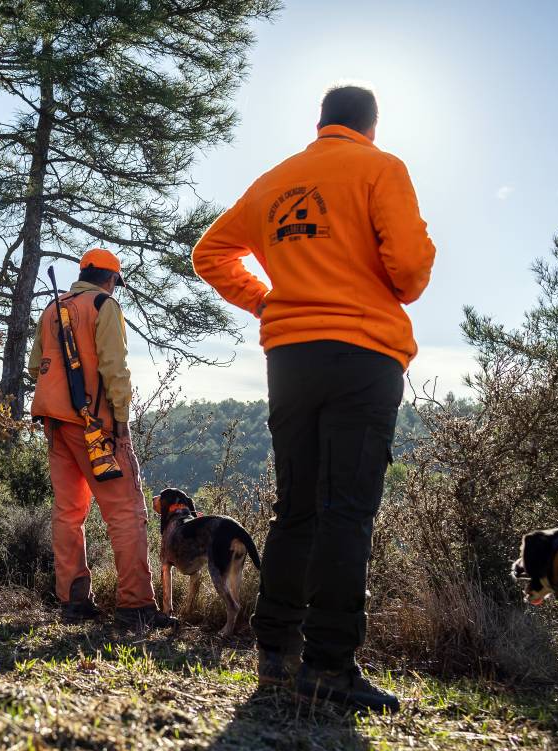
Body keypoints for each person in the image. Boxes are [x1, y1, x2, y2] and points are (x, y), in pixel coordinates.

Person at [192, 85, 435, 712]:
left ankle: (274, 654)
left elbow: (209, 253)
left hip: (290, 358)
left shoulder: (277, 179)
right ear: (371, 128)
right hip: (364, 354)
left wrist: (266, 301)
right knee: (346, 512)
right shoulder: (381, 168)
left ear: (321, 122)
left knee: (295, 509)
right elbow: (408, 271)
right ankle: (329, 667)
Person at [27, 248, 176, 631]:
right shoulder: (103, 305)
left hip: (56, 425)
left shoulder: (52, 309)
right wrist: (121, 423)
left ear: (84, 273)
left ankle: (74, 602)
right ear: (111, 279)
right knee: (126, 512)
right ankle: (135, 606)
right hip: (96, 427)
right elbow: (115, 368)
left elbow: (34, 368)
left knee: (68, 513)